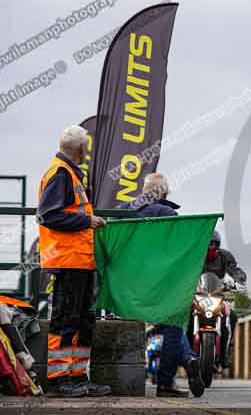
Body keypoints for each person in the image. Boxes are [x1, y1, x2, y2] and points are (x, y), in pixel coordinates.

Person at [37, 125, 110, 397]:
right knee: (66, 319)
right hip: (68, 259)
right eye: (86, 147)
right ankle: (58, 380)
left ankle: (78, 376)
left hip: (80, 260)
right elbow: (48, 215)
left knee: (83, 321)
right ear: (80, 149)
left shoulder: (69, 173)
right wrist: (86, 220)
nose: (87, 152)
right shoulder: (60, 173)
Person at [120, 173, 204, 397]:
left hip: (129, 285)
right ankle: (167, 380)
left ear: (144, 191)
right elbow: (179, 252)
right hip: (162, 284)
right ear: (164, 193)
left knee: (171, 325)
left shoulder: (125, 210)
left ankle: (187, 359)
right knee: (174, 324)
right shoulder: (168, 214)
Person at [202, 231, 246, 371]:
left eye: (214, 244)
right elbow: (183, 270)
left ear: (218, 245)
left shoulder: (224, 256)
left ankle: (225, 353)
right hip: (197, 295)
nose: (211, 248)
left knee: (231, 316)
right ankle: (183, 352)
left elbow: (235, 270)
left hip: (217, 295)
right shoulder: (195, 254)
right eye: (208, 244)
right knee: (183, 317)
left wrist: (239, 280)